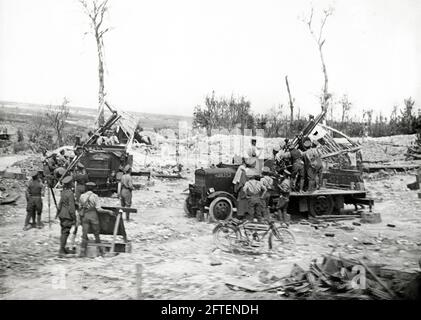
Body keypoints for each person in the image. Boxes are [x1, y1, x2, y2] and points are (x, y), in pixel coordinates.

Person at [78, 182, 114, 257]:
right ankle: (101, 251)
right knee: (96, 234)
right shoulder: (95, 196)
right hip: (93, 216)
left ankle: (82, 252)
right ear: (93, 188)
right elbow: (98, 209)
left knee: (84, 234)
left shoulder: (82, 196)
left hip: (85, 216)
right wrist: (108, 211)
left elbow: (80, 207)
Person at [56, 176, 76, 256]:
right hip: (67, 215)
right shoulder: (70, 193)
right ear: (70, 184)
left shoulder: (63, 192)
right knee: (65, 232)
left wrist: (57, 213)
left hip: (62, 214)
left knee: (63, 232)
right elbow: (71, 208)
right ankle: (61, 250)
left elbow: (60, 204)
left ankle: (62, 248)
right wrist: (74, 218)